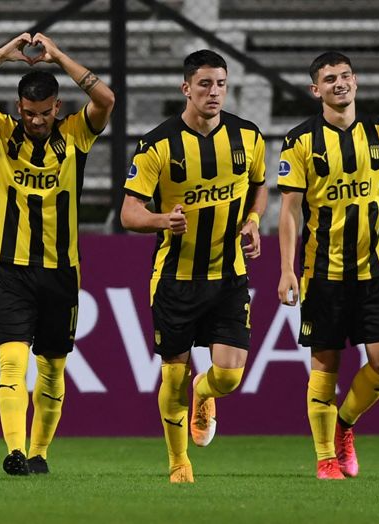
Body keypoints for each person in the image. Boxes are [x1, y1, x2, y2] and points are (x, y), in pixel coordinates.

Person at [0, 33, 114, 476]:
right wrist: (2, 53)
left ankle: (39, 453)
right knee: (12, 361)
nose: (37, 121)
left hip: (62, 273)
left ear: (57, 107)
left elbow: (105, 98)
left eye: (44, 113)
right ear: (18, 108)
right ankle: (16, 451)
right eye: (29, 113)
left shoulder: (76, 134)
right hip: (12, 269)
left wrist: (58, 55)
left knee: (53, 370)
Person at [121, 50, 267, 483]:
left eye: (220, 83)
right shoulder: (157, 145)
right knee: (173, 372)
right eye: (204, 84)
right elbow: (130, 213)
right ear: (186, 88)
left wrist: (255, 221)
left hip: (228, 275)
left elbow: (260, 187)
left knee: (228, 377)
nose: (214, 92)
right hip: (174, 279)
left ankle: (205, 393)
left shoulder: (248, 137)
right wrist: (161, 220)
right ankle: (178, 462)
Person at [276, 51, 379, 480]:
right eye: (330, 78)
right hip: (323, 273)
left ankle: (345, 425)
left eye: (346, 76)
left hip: (373, 271)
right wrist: (286, 270)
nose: (340, 83)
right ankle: (324, 458)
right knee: (326, 365)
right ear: (315, 90)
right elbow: (289, 212)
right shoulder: (300, 140)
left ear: (356, 82)